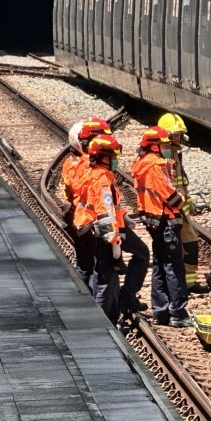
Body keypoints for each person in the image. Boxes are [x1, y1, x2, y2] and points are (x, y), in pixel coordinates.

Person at [132, 125, 193, 328]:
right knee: (174, 267)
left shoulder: (141, 164)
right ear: (155, 146)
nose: (167, 148)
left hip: (154, 222)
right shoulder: (156, 166)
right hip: (167, 221)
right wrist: (182, 197)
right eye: (164, 144)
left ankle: (160, 311)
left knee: (160, 264)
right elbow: (172, 197)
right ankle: (178, 311)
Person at [73, 134, 126, 323]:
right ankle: (104, 323)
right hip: (101, 235)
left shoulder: (92, 173)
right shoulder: (102, 179)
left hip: (89, 229)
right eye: (114, 157)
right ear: (105, 157)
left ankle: (103, 318)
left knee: (100, 276)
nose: (116, 161)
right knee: (106, 280)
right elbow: (105, 212)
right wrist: (114, 241)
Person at [62, 117, 110, 285]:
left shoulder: (73, 162)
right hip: (83, 219)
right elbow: (84, 190)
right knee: (89, 264)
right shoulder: (79, 164)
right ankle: (86, 296)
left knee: (87, 262)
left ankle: (87, 292)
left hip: (79, 219)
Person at [159, 112, 202, 291]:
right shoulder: (166, 156)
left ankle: (189, 282)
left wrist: (189, 203)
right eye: (173, 134)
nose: (176, 137)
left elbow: (181, 184)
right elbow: (168, 186)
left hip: (180, 209)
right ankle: (182, 284)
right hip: (173, 210)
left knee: (189, 246)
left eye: (178, 134)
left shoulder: (175, 153)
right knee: (184, 247)